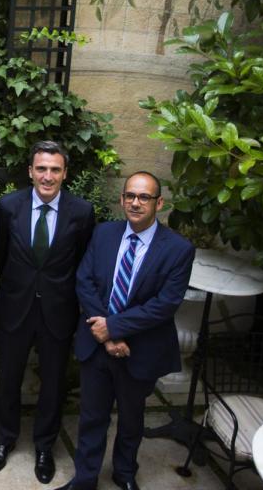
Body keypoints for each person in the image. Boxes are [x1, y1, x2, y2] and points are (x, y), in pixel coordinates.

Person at [56, 172, 195, 490]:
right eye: (130, 195)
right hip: (97, 343)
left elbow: (165, 304)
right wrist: (105, 332)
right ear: (121, 199)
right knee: (92, 416)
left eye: (144, 197)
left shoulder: (178, 249)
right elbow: (84, 281)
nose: (135, 202)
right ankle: (85, 478)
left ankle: (125, 473)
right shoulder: (103, 233)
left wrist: (114, 329)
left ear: (158, 203)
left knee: (132, 419)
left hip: (139, 349)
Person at [0, 141, 96, 483]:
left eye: (55, 169)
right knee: (9, 378)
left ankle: (45, 446)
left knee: (52, 383)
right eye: (41, 169)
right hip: (15, 307)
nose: (47, 176)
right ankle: (5, 439)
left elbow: (82, 262)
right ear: (30, 171)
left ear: (65, 173)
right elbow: (0, 256)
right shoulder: (8, 206)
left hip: (58, 311)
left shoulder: (81, 212)